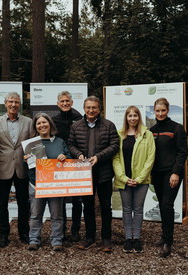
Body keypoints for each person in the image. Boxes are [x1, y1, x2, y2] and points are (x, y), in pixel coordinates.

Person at [68, 95, 119, 252]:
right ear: (84, 109)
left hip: (103, 173)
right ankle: (90, 237)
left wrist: (99, 157)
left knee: (105, 207)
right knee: (88, 207)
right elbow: (70, 144)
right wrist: (78, 155)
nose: (91, 110)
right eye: (88, 107)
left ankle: (106, 239)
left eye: (94, 107)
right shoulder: (75, 126)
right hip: (84, 175)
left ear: (99, 109)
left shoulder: (109, 125)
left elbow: (115, 145)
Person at [24, 113, 71, 251]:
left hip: (55, 185)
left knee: (57, 215)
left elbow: (68, 158)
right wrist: (26, 159)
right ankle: (34, 240)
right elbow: (30, 165)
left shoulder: (59, 141)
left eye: (44, 122)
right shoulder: (32, 143)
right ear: (35, 127)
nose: (42, 125)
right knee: (35, 215)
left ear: (50, 124)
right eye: (38, 123)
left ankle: (57, 240)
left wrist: (64, 157)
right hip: (36, 184)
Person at [0, 92, 35, 247]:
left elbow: (32, 145)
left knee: (24, 204)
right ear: (5, 103)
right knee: (1, 204)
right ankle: (3, 234)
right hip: (2, 168)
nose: (13, 105)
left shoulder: (29, 122)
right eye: (10, 102)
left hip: (22, 168)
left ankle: (24, 233)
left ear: (20, 104)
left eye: (16, 102)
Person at [112, 106, 156, 253]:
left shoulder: (147, 135)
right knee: (126, 209)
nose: (132, 118)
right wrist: (124, 178)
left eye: (135, 116)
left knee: (138, 209)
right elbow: (116, 158)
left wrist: (140, 178)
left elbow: (151, 158)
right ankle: (127, 238)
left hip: (141, 180)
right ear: (126, 118)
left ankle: (136, 238)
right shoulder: (119, 134)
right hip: (124, 180)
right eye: (129, 116)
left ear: (139, 117)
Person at [150, 98, 188, 258]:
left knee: (167, 205)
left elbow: (182, 152)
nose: (160, 113)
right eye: (157, 111)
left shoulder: (177, 129)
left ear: (168, 110)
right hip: (157, 173)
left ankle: (168, 242)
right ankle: (164, 235)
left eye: (162, 110)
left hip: (171, 173)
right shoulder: (151, 130)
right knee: (162, 205)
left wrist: (176, 173)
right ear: (154, 111)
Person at [52, 91, 83, 242]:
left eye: (67, 101)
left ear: (71, 102)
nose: (65, 103)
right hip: (60, 163)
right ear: (58, 104)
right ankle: (62, 229)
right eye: (62, 101)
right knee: (61, 199)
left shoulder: (79, 118)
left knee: (77, 199)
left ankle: (75, 229)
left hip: (76, 162)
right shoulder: (54, 120)